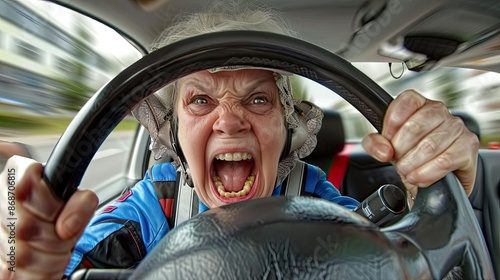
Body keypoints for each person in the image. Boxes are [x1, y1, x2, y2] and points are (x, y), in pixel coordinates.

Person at [0, 3, 479, 280]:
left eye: (257, 101)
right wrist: (21, 263)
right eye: (201, 102)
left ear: (287, 126)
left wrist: (432, 198)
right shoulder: (144, 212)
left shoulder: (323, 201)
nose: (229, 122)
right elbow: (58, 260)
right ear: (174, 133)